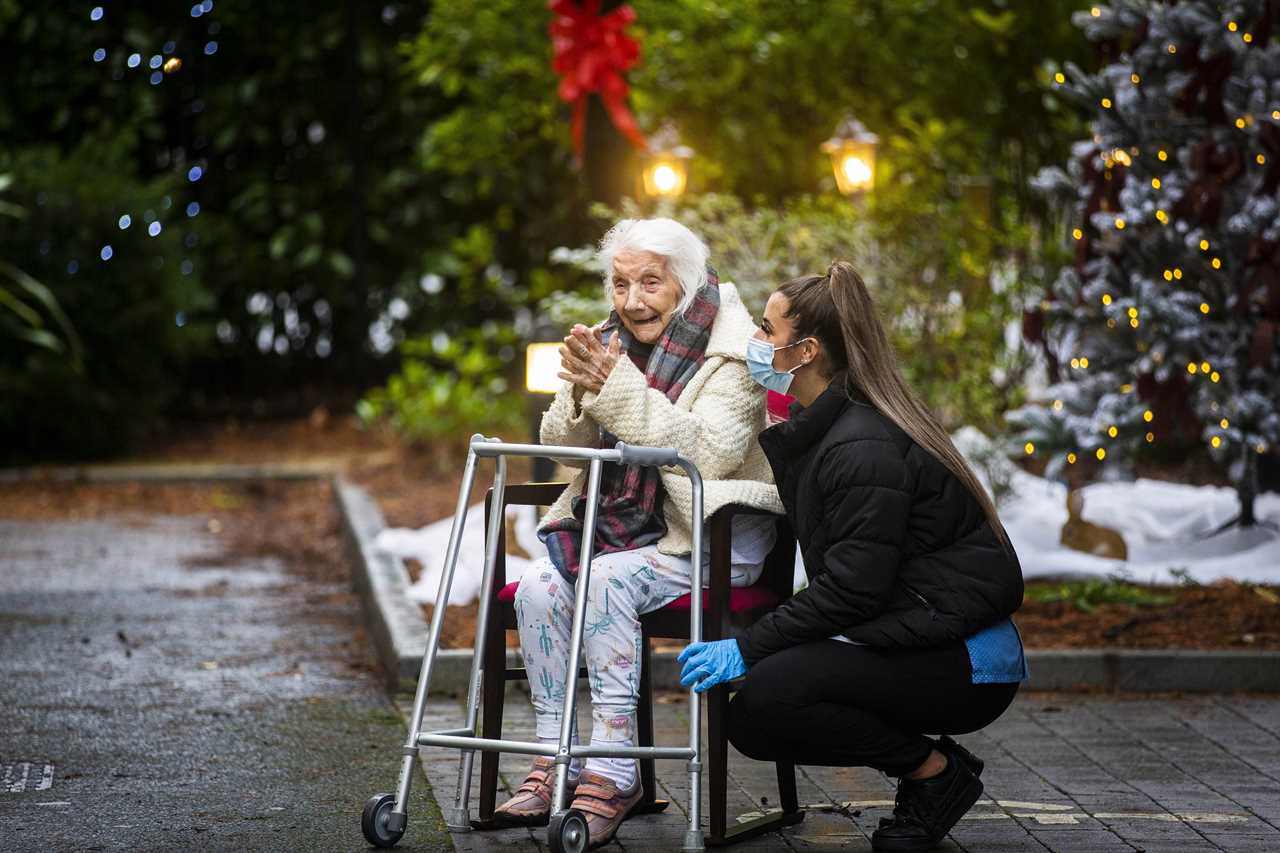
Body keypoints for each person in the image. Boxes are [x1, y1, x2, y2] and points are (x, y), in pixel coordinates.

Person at [678, 262, 1027, 853]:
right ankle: (929, 771)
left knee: (767, 703)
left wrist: (748, 645)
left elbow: (851, 590)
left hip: (968, 659)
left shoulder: (862, 444)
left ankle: (933, 774)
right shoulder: (834, 427)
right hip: (917, 630)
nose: (755, 345)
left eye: (767, 330)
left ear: (807, 350)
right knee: (763, 701)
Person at [493, 218, 783, 848]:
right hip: (623, 528)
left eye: (649, 282)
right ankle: (556, 759)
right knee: (540, 587)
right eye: (620, 284)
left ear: (687, 282)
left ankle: (616, 773)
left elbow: (707, 453)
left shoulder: (735, 353)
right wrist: (580, 392)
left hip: (711, 535)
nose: (631, 301)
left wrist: (615, 387)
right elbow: (564, 453)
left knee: (603, 580)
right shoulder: (609, 344)